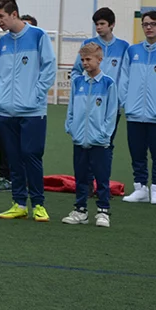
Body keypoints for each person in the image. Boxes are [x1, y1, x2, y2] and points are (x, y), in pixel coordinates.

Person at [0, 0, 55, 222]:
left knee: (31, 156)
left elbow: (49, 67)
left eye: (1, 16)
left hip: (33, 111)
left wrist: (36, 95)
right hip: (6, 111)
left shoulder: (39, 36)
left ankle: (38, 204)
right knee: (14, 159)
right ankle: (18, 203)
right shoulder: (3, 43)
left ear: (14, 14)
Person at [119, 10, 156, 205]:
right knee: (137, 153)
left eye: (153, 24)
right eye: (145, 24)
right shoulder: (132, 51)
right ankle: (140, 188)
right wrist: (125, 102)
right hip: (134, 113)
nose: (149, 27)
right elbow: (124, 79)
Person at [63, 43, 118, 227]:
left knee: (102, 177)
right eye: (82, 60)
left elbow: (112, 113)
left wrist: (105, 134)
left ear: (99, 60)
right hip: (80, 139)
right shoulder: (77, 82)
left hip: (100, 141)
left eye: (88, 59)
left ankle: (103, 211)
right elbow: (71, 107)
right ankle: (80, 210)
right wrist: (71, 126)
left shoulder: (108, 83)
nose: (85, 63)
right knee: (80, 176)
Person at [70, 8, 129, 168]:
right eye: (96, 24)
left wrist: (120, 99)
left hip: (110, 106)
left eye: (102, 23)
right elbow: (76, 71)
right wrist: (79, 85)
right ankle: (87, 183)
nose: (98, 27)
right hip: (88, 103)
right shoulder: (88, 45)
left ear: (112, 25)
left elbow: (126, 76)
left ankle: (103, 182)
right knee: (86, 144)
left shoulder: (124, 47)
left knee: (106, 144)